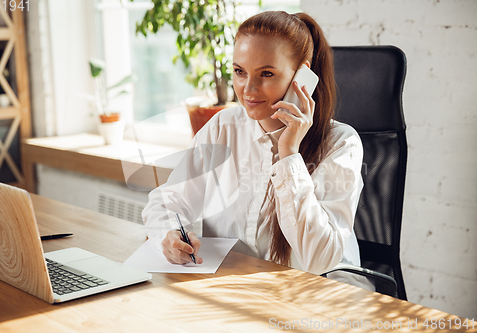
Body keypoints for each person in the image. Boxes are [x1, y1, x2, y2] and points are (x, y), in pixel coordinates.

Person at [142, 11, 373, 290]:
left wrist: (289, 154)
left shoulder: (341, 143)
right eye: (239, 71)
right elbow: (166, 202)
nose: (248, 89)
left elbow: (317, 260)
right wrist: (168, 235)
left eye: (266, 73)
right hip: (239, 287)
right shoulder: (223, 127)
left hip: (319, 294)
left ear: (302, 75)